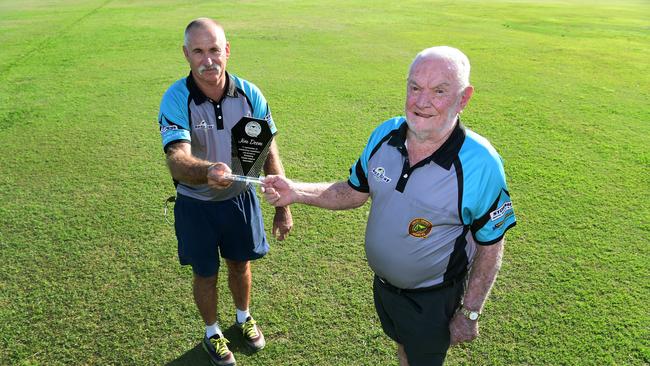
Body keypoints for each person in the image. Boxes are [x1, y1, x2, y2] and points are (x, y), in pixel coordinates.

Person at [259, 46, 516, 365]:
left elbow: (491, 245)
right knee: (404, 347)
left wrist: (471, 311)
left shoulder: (480, 163)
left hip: (433, 300)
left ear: (463, 98)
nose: (422, 102)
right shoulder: (386, 133)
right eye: (415, 87)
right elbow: (353, 192)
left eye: (439, 91)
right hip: (384, 289)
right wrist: (294, 190)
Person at [157, 18, 292, 366]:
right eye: (198, 51)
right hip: (195, 204)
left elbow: (267, 150)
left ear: (227, 50)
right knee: (205, 273)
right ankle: (212, 332)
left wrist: (283, 206)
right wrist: (207, 171)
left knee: (240, 264)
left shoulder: (250, 95)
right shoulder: (176, 98)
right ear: (186, 54)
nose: (208, 60)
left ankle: (244, 317)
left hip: (238, 201)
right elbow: (177, 158)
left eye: (215, 50)